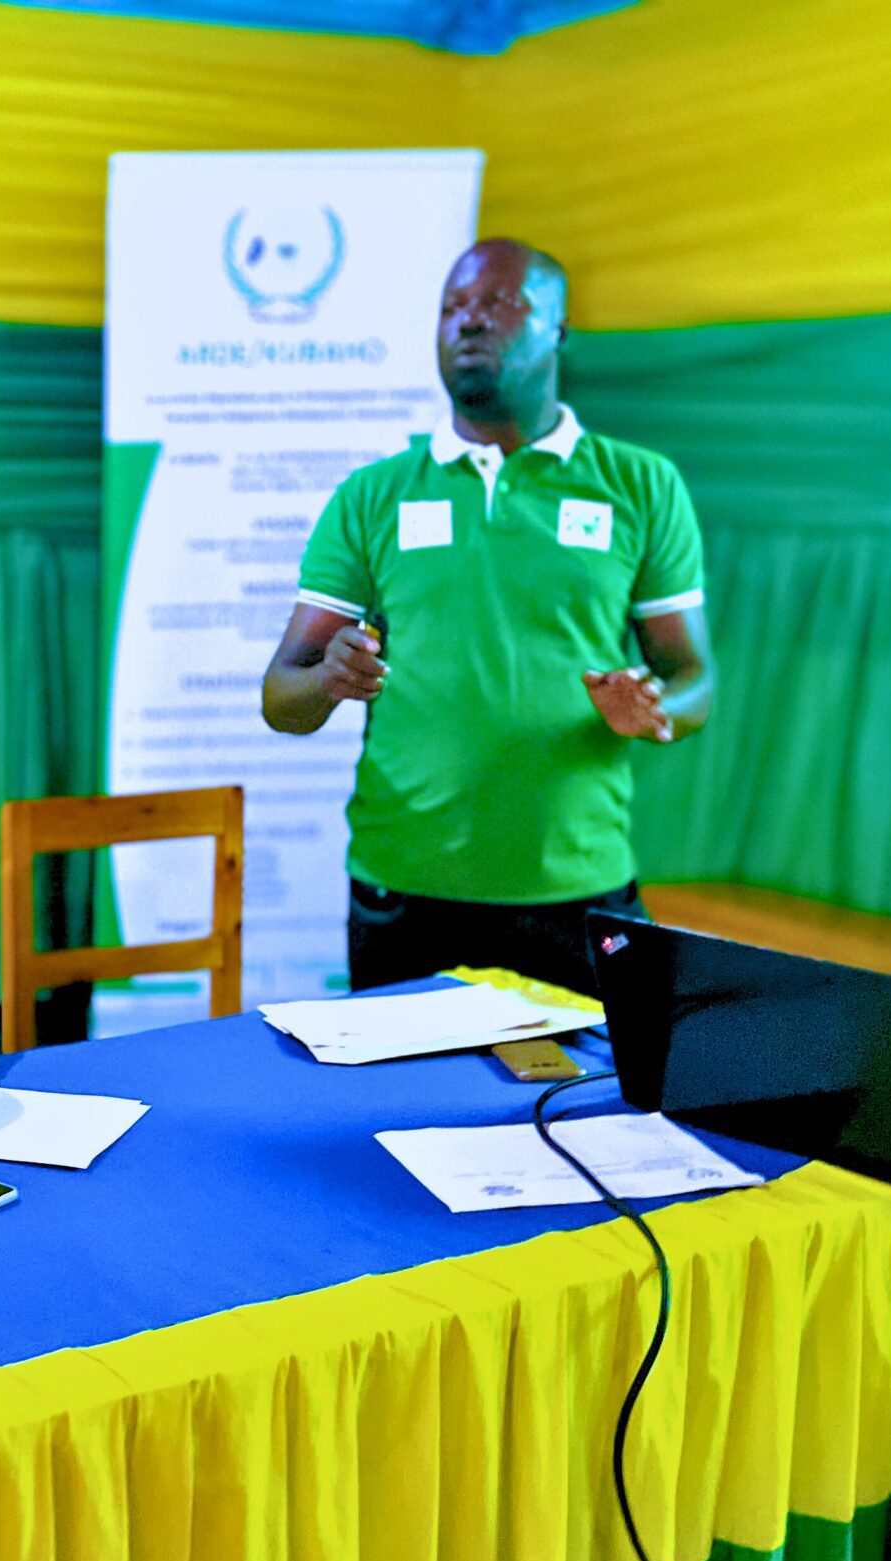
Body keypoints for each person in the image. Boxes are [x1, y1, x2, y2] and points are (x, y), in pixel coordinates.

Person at [261, 238, 714, 996]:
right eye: (452, 307)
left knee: (586, 1081)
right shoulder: (372, 495)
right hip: (405, 893)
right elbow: (282, 697)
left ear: (558, 329)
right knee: (402, 1082)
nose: (468, 321)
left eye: (498, 302)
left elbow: (694, 680)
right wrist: (330, 678)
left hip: (577, 890)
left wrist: (654, 708)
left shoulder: (641, 485)